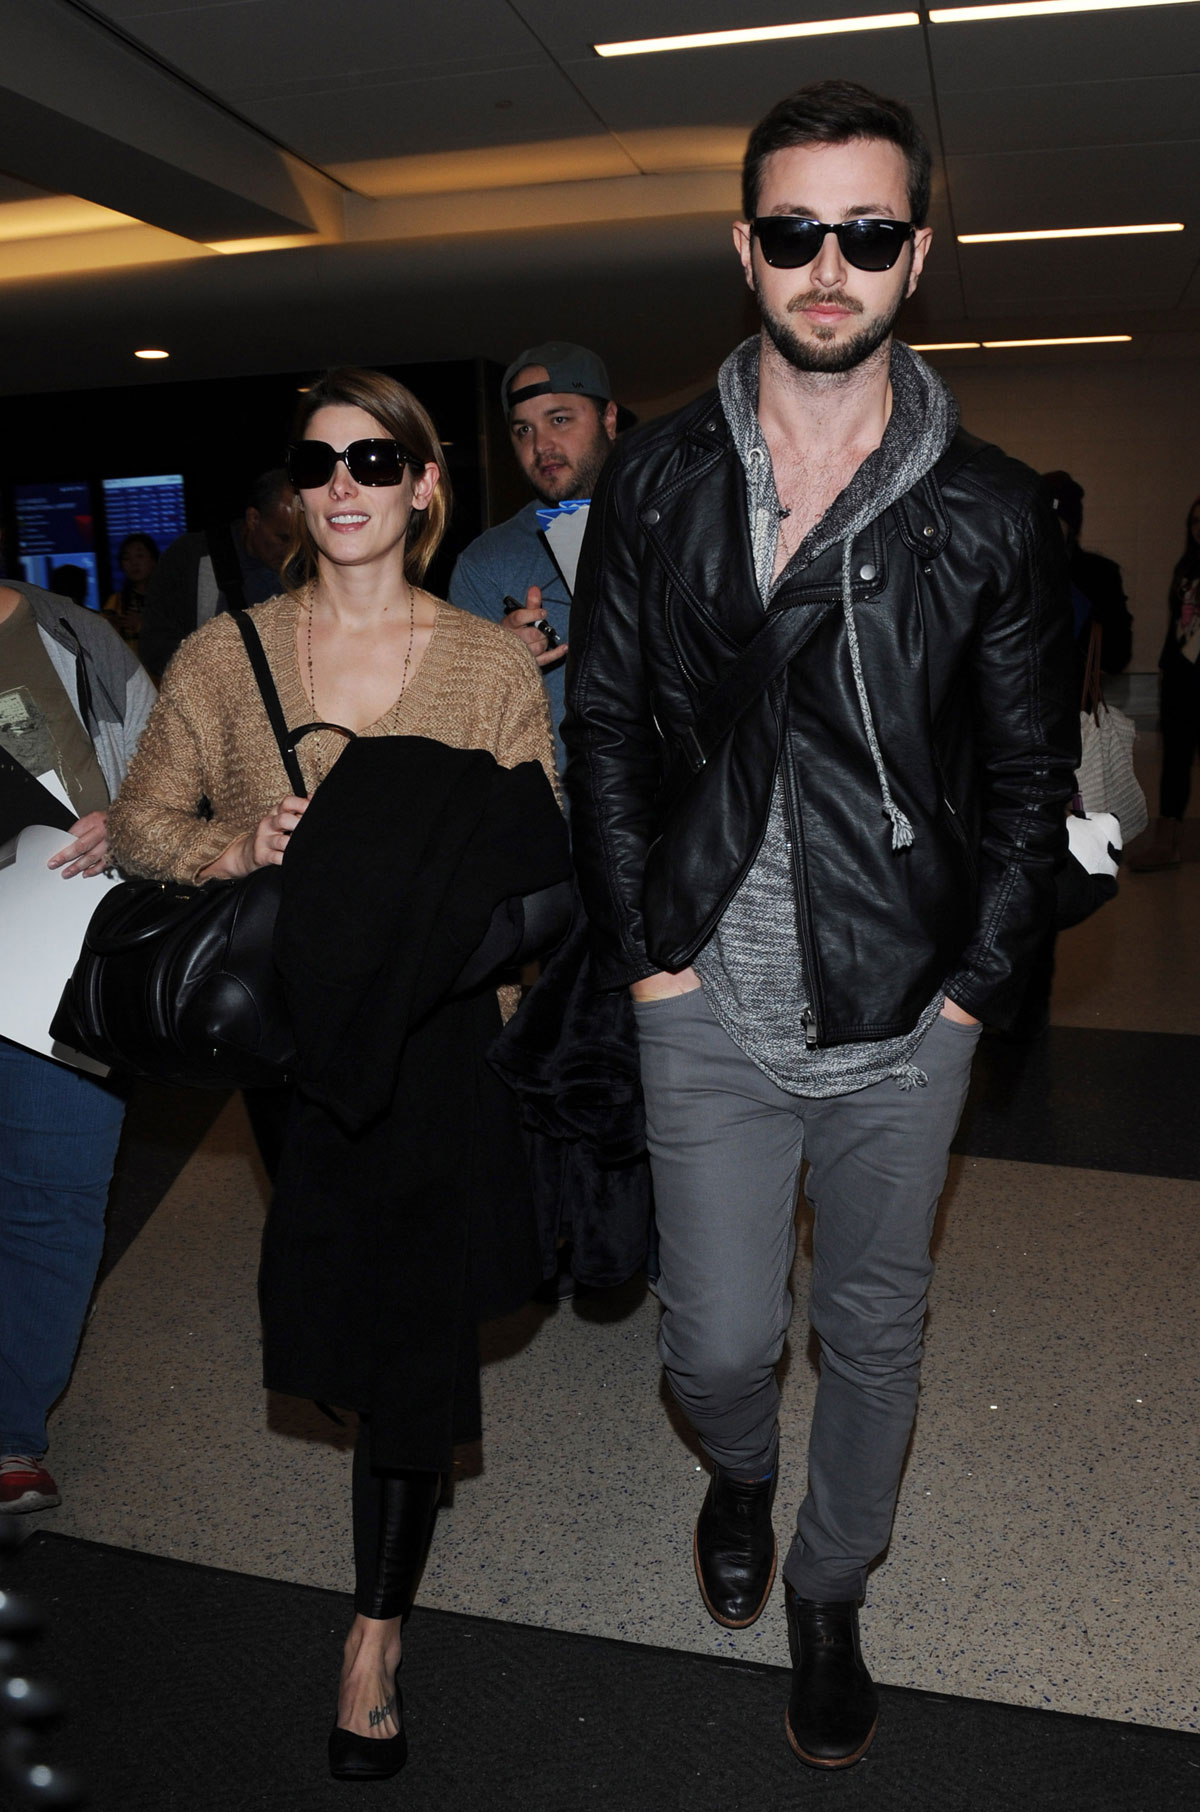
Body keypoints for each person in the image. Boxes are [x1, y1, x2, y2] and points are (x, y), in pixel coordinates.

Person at [563, 80, 1077, 1771]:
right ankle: (740, 1470)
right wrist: (651, 949)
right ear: (747, 248)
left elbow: (1028, 780)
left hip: (905, 1010)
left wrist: (973, 997)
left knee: (873, 1328)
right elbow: (611, 727)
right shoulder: (655, 483)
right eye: (798, 231)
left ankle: (832, 1587)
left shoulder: (990, 510)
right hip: (703, 988)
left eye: (868, 231)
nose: (830, 264)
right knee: (716, 1346)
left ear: (917, 253)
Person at [108, 368, 567, 1783]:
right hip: (292, 1044)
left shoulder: (489, 666)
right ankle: (388, 1441)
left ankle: (374, 1635)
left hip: (435, 1045)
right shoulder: (222, 657)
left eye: (378, 459)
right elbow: (141, 826)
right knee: (349, 1313)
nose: (346, 485)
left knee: (409, 1335)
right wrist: (235, 851)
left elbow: (545, 877)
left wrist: (455, 956)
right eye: (319, 465)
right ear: (296, 496)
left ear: (426, 485)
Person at [0, 575, 156, 1514]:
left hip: (58, 950)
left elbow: (177, 766)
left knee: (50, 1196)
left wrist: (133, 824)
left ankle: (11, 1432)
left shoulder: (70, 634)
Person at [450, 341, 629, 768]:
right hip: (555, 819)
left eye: (560, 419)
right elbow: (460, 727)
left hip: (681, 814)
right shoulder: (487, 565)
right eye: (523, 430)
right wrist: (500, 667)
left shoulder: (679, 525)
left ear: (608, 419)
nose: (541, 444)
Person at [138, 468, 297, 680]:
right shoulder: (189, 557)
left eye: (302, 539)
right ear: (253, 518)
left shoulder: (311, 567)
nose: (293, 550)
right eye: (284, 538)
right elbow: (154, 645)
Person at [1130, 494, 1200, 871]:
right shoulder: (1186, 566)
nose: (1199, 529)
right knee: (1174, 761)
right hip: (1182, 678)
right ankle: (1166, 844)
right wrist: (1164, 665)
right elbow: (1178, 626)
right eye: (1194, 522)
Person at [102, 532, 159, 653]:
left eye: (140, 556)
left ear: (154, 560)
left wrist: (141, 625)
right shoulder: (116, 601)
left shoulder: (167, 598)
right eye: (127, 558)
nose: (134, 563)